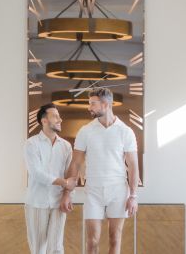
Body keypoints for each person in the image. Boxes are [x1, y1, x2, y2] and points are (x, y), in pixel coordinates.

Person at [60, 87, 139, 254]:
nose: (89, 108)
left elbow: (133, 165)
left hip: (118, 190)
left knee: (114, 238)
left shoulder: (126, 132)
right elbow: (75, 163)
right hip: (93, 191)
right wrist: (67, 193)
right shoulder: (85, 131)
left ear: (105, 105)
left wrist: (133, 196)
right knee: (92, 241)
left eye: (92, 104)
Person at [24, 103, 76, 254]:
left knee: (56, 248)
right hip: (36, 202)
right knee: (38, 249)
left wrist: (68, 196)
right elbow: (36, 173)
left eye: (59, 116)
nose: (60, 120)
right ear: (44, 120)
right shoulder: (31, 144)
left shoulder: (66, 146)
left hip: (59, 202)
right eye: (55, 116)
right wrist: (64, 182)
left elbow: (69, 175)